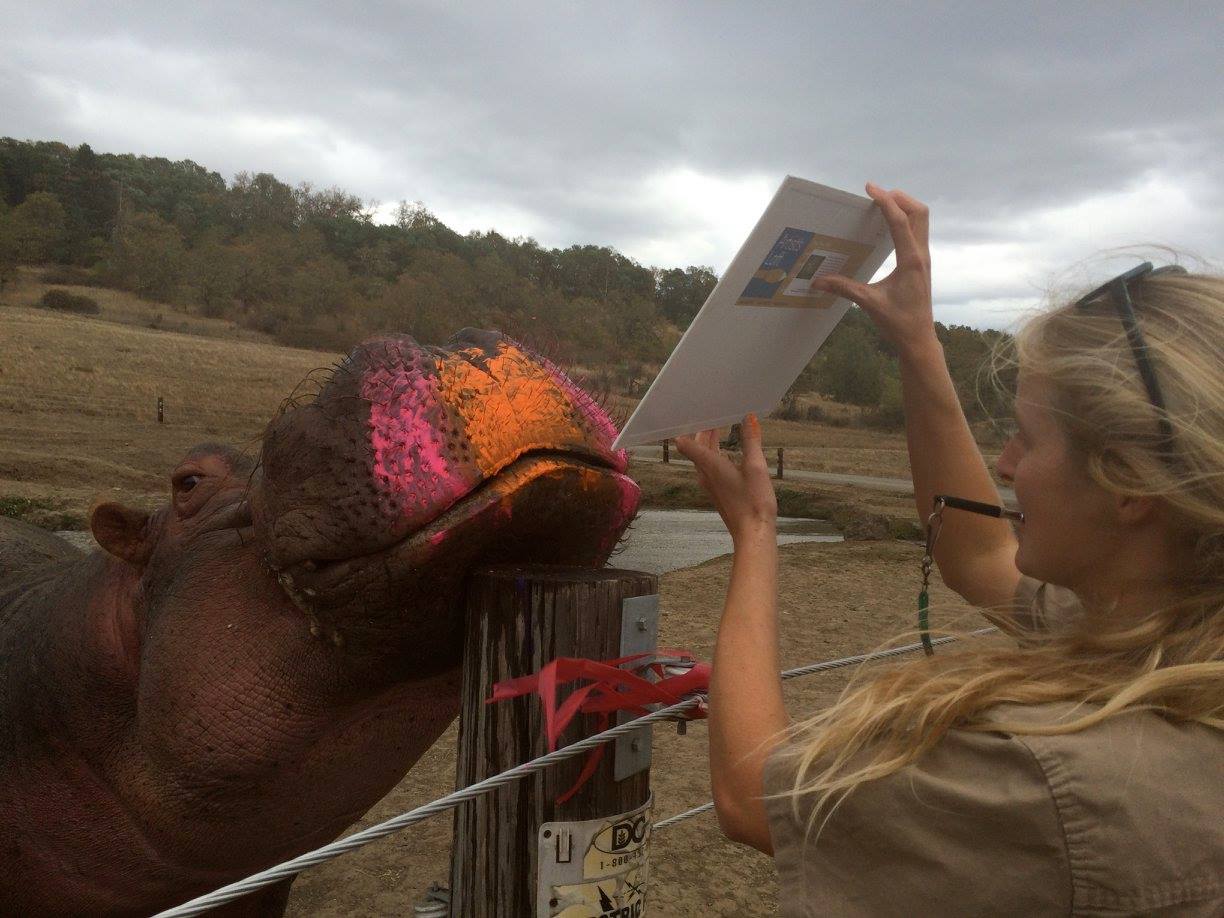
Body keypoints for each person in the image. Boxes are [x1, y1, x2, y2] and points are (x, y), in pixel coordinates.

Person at [675, 184, 1224, 916]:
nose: (1005, 465)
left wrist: (756, 535)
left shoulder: (1050, 775)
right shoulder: (1173, 636)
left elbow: (754, 798)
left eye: (1028, 435)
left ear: (1128, 483)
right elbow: (979, 556)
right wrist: (916, 341)